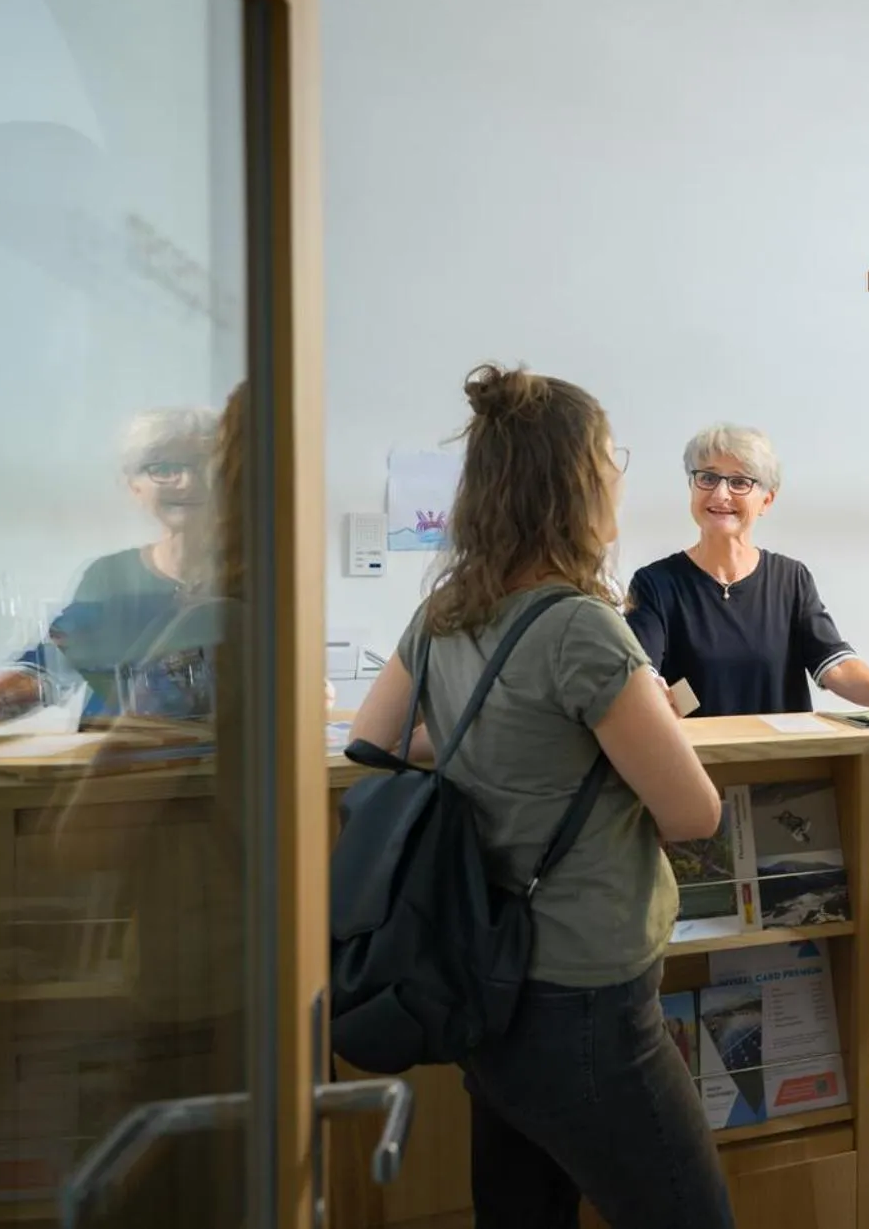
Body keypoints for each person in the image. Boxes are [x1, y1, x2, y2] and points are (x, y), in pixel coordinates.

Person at [350, 365, 734, 1229]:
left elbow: (373, 739)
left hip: (486, 976)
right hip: (587, 994)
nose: (618, 475)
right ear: (577, 481)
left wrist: (484, 748)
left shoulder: (446, 609)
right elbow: (694, 813)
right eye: (609, 456)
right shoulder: (580, 628)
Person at [0, 407, 219, 733]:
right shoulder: (110, 578)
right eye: (163, 468)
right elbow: (41, 679)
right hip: (116, 775)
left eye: (203, 465)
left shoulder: (264, 573)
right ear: (133, 486)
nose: (187, 482)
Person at [625, 423, 869, 717]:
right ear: (692, 487)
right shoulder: (654, 583)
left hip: (784, 768)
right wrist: (647, 688)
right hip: (699, 769)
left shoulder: (791, 580)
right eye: (707, 477)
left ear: (767, 501)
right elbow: (641, 672)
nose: (720, 494)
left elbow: (835, 667)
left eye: (739, 482)